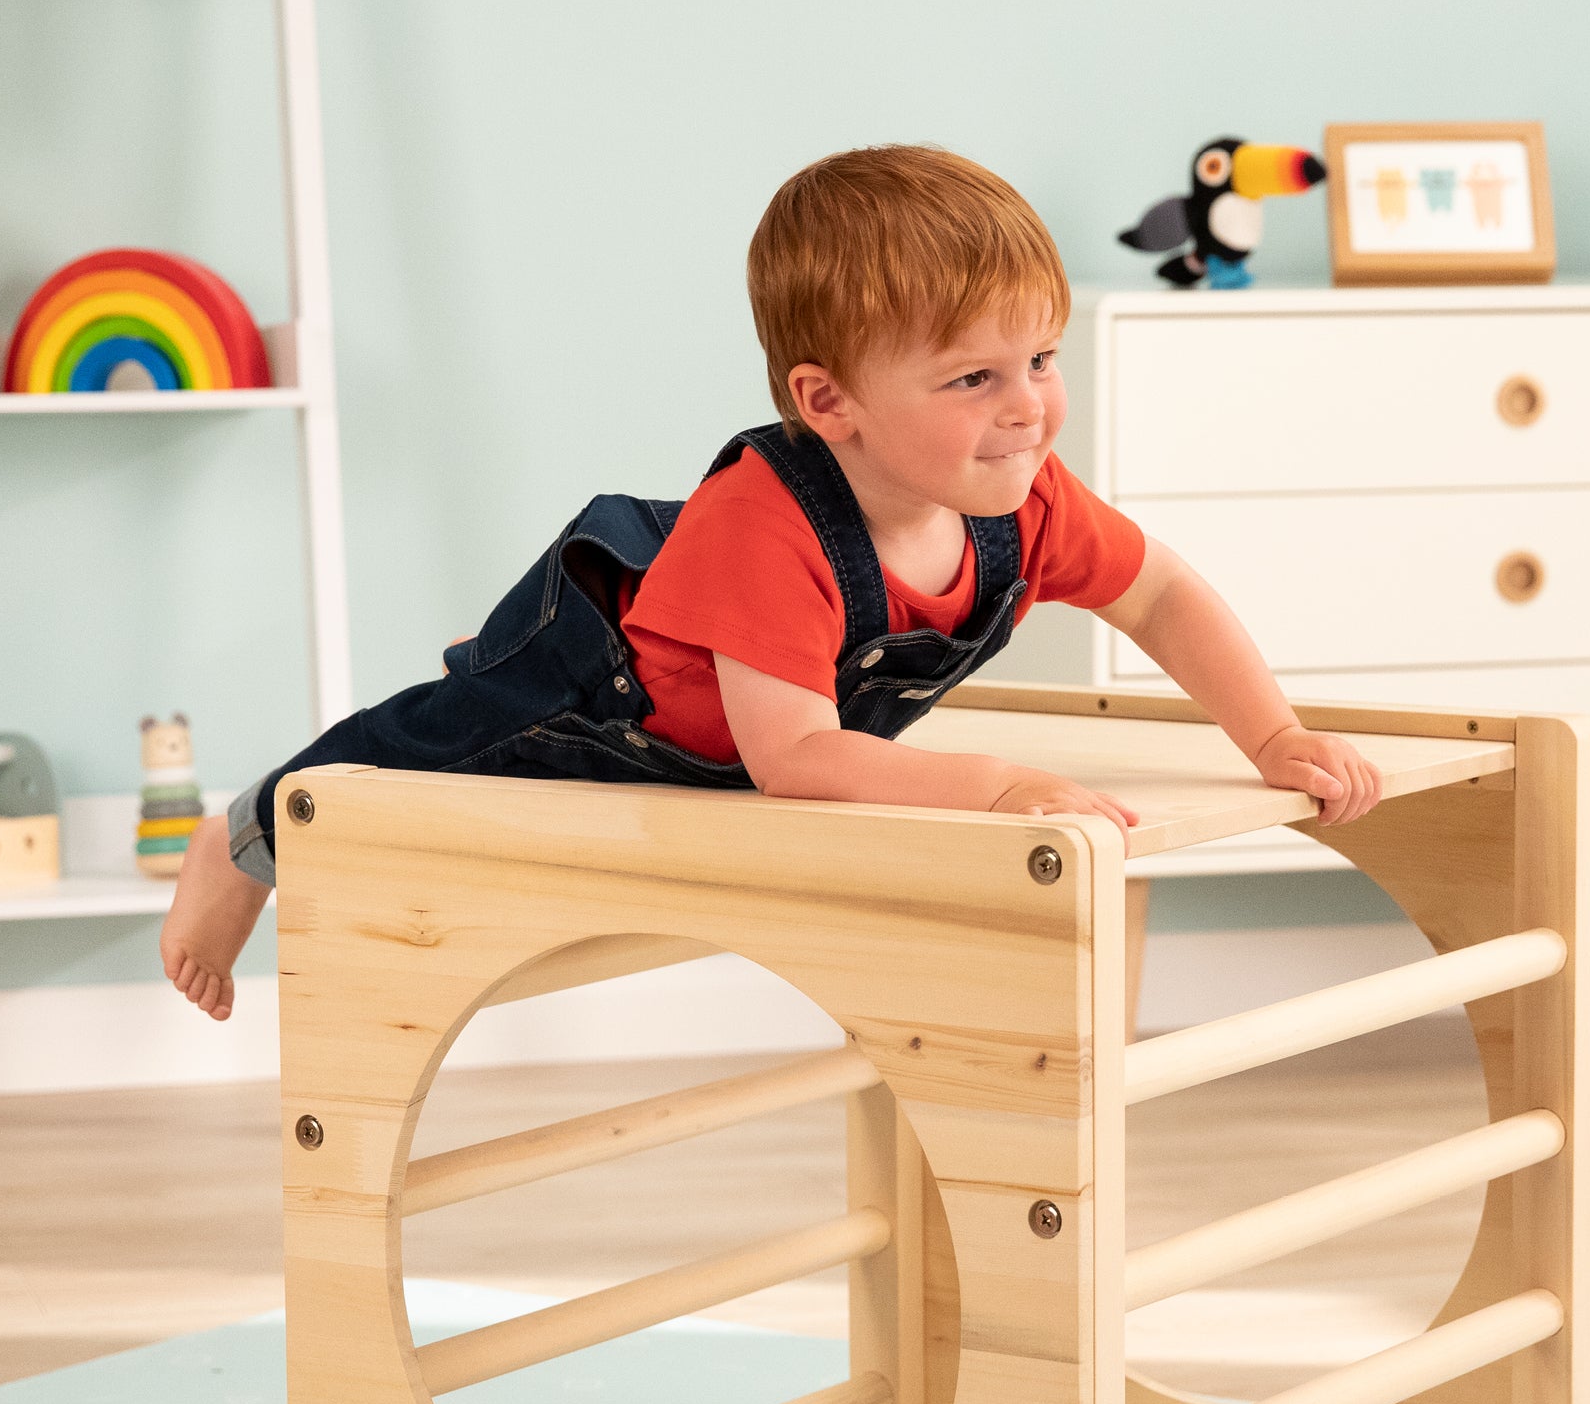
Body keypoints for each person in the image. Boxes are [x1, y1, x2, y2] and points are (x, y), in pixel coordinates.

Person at [161, 144, 1381, 1021]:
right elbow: (795, 758)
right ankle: (242, 844)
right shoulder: (766, 525)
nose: (1029, 408)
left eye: (1041, 358)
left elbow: (1162, 595)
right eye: (974, 380)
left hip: (760, 720)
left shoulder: (1023, 495)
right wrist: (998, 784)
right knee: (401, 758)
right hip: (605, 693)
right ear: (827, 401)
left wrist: (1270, 733)